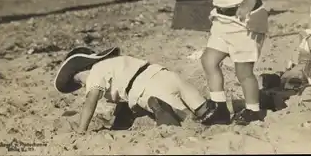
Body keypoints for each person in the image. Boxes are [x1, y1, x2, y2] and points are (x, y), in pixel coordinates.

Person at [54, 46, 222, 133]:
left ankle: (163, 110)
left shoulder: (95, 73)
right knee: (206, 112)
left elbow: (90, 101)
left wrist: (82, 129)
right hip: (165, 74)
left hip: (148, 88)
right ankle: (220, 109)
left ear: (82, 69)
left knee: (188, 122)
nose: (83, 85)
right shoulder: (116, 63)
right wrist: (117, 123)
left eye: (80, 81)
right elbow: (123, 103)